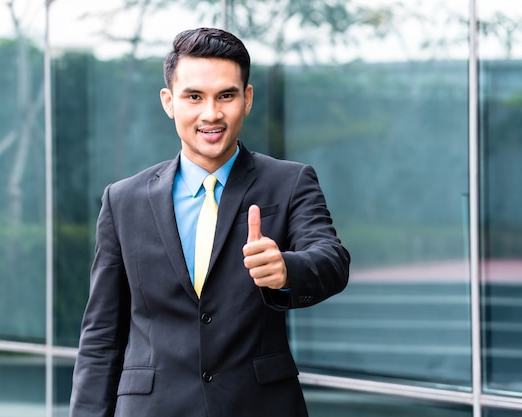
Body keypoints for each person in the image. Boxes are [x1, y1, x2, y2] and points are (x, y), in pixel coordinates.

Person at [69, 27, 350, 417]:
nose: (211, 113)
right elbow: (102, 334)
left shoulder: (290, 181)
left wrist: (286, 268)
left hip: (258, 406)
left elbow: (332, 260)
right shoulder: (123, 200)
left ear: (247, 99)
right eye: (194, 97)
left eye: (226, 96)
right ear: (169, 102)